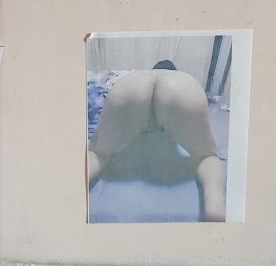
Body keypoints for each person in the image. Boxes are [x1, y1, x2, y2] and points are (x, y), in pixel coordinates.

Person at [87, 60, 226, 221]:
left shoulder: (139, 76)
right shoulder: (180, 78)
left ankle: (71, 191)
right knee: (207, 156)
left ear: (153, 69)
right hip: (182, 89)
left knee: (98, 153)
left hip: (130, 85)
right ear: (174, 71)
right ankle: (215, 205)